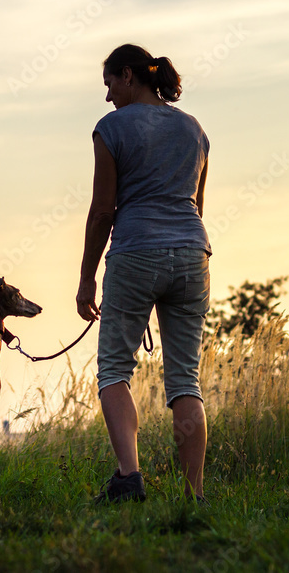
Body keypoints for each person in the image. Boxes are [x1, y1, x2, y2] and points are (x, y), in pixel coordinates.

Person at [76, 43, 211, 504]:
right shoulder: (194, 130)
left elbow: (102, 211)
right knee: (185, 380)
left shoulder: (111, 128)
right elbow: (197, 205)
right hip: (193, 254)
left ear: (129, 75)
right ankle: (192, 497)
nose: (109, 96)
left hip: (135, 251)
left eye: (110, 84)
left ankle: (129, 480)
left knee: (114, 369)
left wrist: (86, 278)